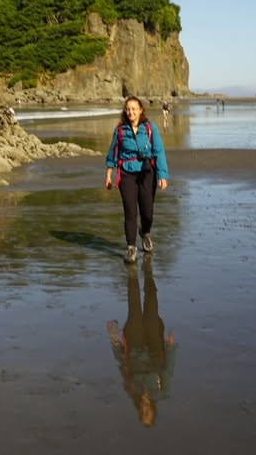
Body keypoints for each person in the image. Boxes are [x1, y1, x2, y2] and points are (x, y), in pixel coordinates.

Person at [107, 258, 176, 426]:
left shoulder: (131, 391)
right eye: (148, 413)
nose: (144, 410)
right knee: (151, 304)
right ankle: (148, 271)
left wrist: (115, 343)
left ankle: (132, 274)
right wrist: (170, 347)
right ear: (153, 410)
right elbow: (168, 369)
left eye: (142, 413)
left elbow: (123, 365)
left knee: (134, 304)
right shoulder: (162, 391)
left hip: (135, 345)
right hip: (154, 346)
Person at [104, 96, 169, 263]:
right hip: (126, 174)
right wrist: (109, 175)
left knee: (147, 212)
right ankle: (131, 248)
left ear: (141, 110)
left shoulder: (149, 127)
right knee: (130, 212)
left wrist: (162, 175)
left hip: (147, 172)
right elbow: (112, 152)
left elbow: (159, 151)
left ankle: (145, 232)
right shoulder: (120, 130)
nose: (131, 112)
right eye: (128, 109)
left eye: (134, 108)